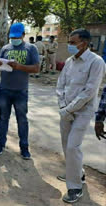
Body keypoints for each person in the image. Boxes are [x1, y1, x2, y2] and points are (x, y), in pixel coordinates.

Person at [56, 29, 105, 203]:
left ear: (83, 43)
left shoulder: (96, 62)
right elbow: (61, 84)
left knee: (72, 147)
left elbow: (89, 91)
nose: (70, 45)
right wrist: (63, 106)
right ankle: (78, 173)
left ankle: (75, 187)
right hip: (66, 110)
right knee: (65, 144)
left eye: (72, 42)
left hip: (83, 112)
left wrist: (69, 109)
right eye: (69, 42)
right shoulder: (70, 61)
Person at [0, 23, 40, 159]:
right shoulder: (5, 48)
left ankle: (24, 147)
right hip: (5, 89)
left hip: (21, 91)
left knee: (22, 120)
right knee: (3, 118)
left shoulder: (31, 48)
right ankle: (0, 144)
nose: (14, 39)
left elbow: (36, 68)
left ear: (23, 35)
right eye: (12, 37)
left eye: (17, 37)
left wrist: (19, 66)